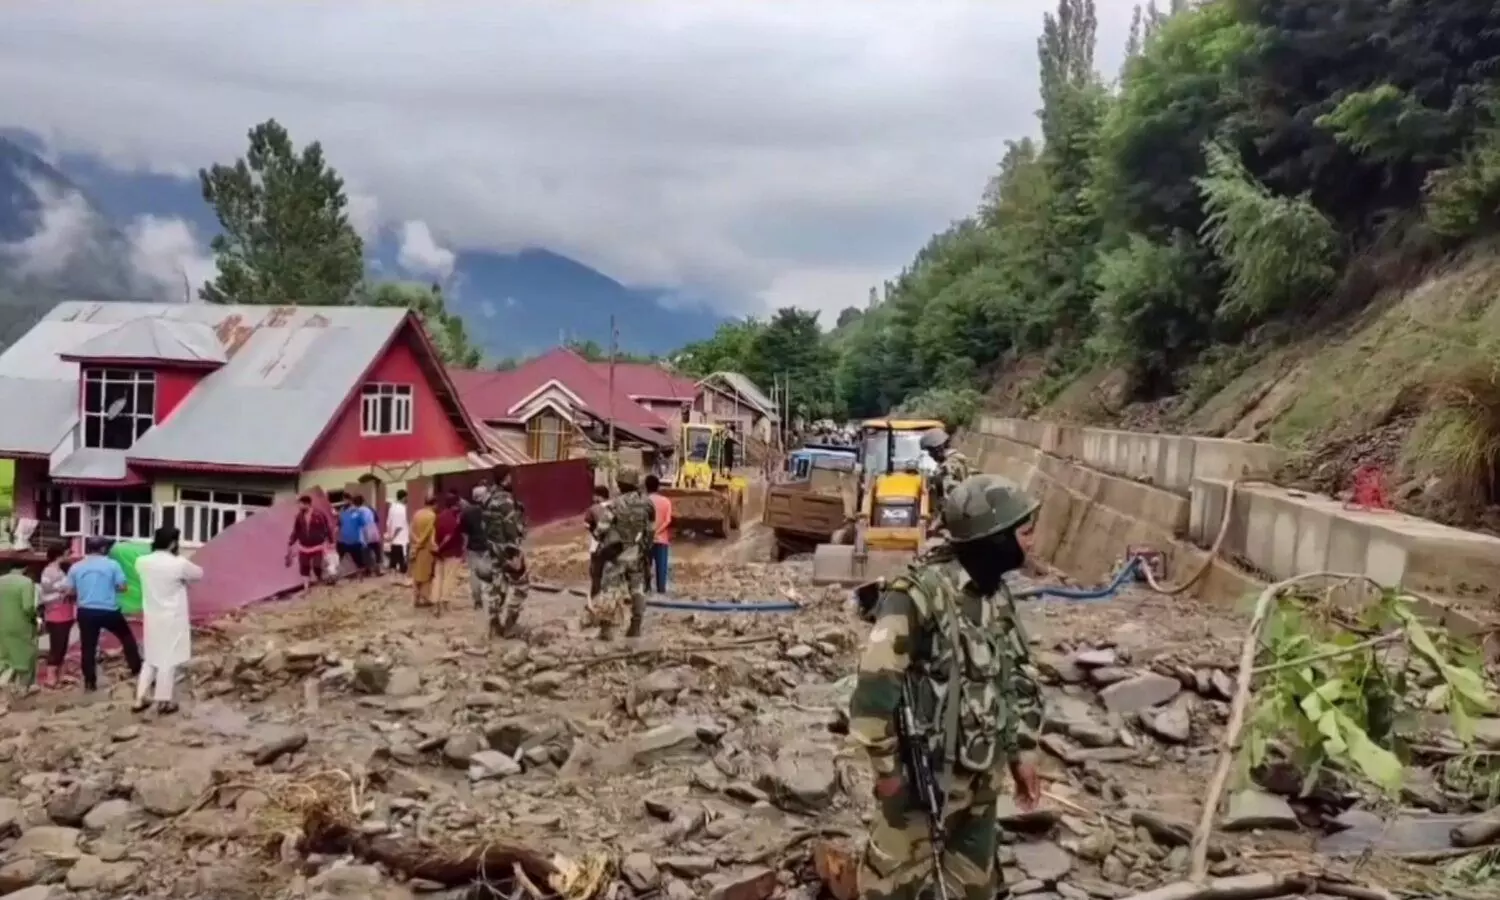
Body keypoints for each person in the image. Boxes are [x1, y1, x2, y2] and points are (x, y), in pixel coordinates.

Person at [850, 474, 1043, 900]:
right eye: (1024, 533)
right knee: (886, 889)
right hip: (922, 785)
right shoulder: (918, 596)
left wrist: (1021, 752)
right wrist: (888, 777)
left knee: (975, 887)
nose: (1032, 543)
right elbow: (872, 695)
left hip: (981, 783)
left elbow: (1015, 676)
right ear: (994, 538)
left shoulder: (996, 596)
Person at [133, 526, 203, 715]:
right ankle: (163, 701)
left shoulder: (142, 562)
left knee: (150, 658)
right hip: (172, 618)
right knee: (168, 660)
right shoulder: (178, 564)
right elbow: (198, 574)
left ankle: (140, 697)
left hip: (152, 616)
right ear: (173, 543)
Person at [67, 537, 143, 693]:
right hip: (109, 610)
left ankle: (90, 683)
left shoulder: (76, 567)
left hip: (86, 611)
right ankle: (136, 669)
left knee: (88, 647)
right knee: (126, 637)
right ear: (102, 549)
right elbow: (122, 587)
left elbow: (71, 591)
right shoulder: (112, 565)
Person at [586, 467, 654, 640]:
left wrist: (597, 535)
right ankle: (636, 626)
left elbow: (601, 529)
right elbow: (651, 529)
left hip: (616, 554)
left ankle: (606, 630)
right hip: (637, 553)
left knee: (610, 590)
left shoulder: (615, 504)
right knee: (637, 589)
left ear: (620, 483)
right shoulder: (647, 503)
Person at [479, 471, 529, 638]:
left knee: (497, 586)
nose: (510, 480)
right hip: (508, 550)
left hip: (493, 549)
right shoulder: (505, 500)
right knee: (521, 585)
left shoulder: (487, 498)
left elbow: (485, 525)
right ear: (504, 478)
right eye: (508, 477)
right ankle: (510, 625)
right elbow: (511, 527)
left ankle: (494, 624)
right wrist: (515, 554)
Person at [38, 543, 74, 689]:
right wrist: (69, 591)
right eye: (66, 553)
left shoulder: (55, 571)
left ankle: (56, 676)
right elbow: (62, 589)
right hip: (57, 613)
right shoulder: (51, 572)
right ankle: (51, 678)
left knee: (61, 645)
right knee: (57, 646)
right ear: (60, 555)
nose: (68, 556)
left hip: (62, 612)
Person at [0, 564, 38, 690]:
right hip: (21, 625)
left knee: (4, 656)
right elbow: (28, 607)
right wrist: (34, 619)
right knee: (26, 656)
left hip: (2, 624)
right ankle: (22, 689)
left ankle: (4, 685)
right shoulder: (26, 583)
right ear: (25, 568)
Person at [287, 495, 334, 592]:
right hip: (304, 546)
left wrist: (331, 541)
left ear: (307, 504)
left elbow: (327, 528)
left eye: (300, 504)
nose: (299, 506)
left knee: (317, 566)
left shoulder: (319, 514)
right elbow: (296, 530)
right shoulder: (299, 517)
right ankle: (306, 588)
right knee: (304, 567)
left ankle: (320, 579)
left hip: (317, 545)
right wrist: (291, 541)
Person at [920, 427, 972, 507]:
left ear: (938, 448)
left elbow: (950, 498)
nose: (930, 455)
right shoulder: (959, 459)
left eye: (931, 450)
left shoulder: (947, 466)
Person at [433, 491, 465, 616]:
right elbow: (451, 536)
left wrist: (437, 549)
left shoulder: (438, 517)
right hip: (452, 552)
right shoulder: (455, 518)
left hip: (439, 553)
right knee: (449, 578)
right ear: (455, 505)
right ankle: (445, 602)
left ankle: (435, 601)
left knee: (438, 578)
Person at [461, 485, 490, 611]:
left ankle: (478, 601)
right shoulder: (491, 510)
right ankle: (493, 599)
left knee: (474, 574)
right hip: (489, 547)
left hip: (473, 547)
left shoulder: (467, 512)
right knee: (491, 572)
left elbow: (464, 533)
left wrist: (463, 548)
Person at [408, 494, 439, 608]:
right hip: (425, 549)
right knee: (426, 575)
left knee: (416, 574)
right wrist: (420, 543)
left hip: (416, 548)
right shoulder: (432, 516)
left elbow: (411, 529)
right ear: (434, 504)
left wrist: (415, 543)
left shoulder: (417, 513)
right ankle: (425, 597)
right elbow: (428, 533)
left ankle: (415, 598)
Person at [644, 474, 673, 594]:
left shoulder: (643, 501)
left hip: (646, 540)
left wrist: (650, 532)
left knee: (645, 566)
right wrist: (658, 531)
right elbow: (668, 520)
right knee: (661, 568)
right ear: (658, 487)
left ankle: (646, 589)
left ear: (646, 487)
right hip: (662, 540)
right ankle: (661, 590)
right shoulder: (666, 502)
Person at [583, 485, 611, 600]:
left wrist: (594, 532)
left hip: (597, 546)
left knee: (596, 574)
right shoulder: (616, 506)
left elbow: (586, 525)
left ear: (599, 496)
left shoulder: (593, 509)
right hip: (614, 546)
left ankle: (595, 599)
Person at [337, 494, 374, 577]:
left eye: (346, 500)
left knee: (358, 558)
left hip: (355, 539)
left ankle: (361, 574)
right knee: (341, 556)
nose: (344, 502)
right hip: (343, 538)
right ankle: (341, 573)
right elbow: (339, 524)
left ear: (350, 500)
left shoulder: (357, 511)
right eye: (343, 500)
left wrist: (365, 537)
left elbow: (363, 525)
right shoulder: (342, 511)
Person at [386, 490, 410, 575]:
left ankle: (393, 578)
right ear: (404, 497)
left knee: (394, 561)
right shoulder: (402, 509)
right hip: (401, 539)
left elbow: (388, 523)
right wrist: (393, 536)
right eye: (407, 497)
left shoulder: (392, 507)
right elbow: (399, 526)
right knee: (402, 562)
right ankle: (402, 578)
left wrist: (390, 536)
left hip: (394, 540)